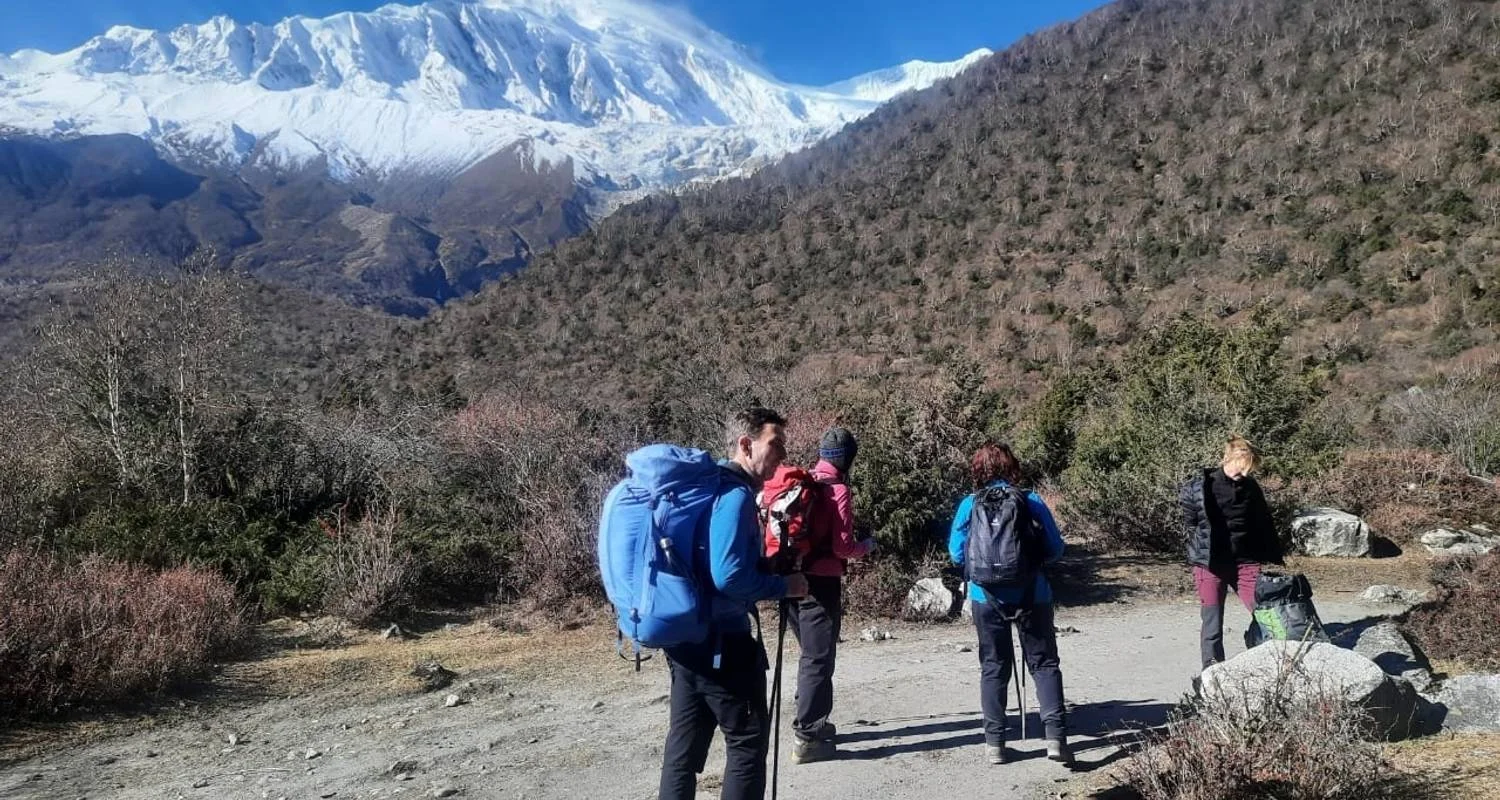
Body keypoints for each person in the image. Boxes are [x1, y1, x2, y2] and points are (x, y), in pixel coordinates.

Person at [658, 407, 809, 800]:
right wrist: (784, 586)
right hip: (724, 645)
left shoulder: (705, 490)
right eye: (775, 443)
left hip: (685, 641)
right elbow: (728, 577)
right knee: (746, 746)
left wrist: (767, 566)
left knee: (682, 754)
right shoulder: (735, 495)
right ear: (746, 444)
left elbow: (714, 564)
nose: (782, 452)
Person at [949, 442, 1069, 765]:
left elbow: (956, 554)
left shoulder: (968, 505)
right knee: (1044, 664)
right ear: (1011, 467)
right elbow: (1056, 548)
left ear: (978, 471)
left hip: (984, 598)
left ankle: (995, 745)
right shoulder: (1029, 500)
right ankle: (1056, 739)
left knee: (993, 667)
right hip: (1034, 594)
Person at [786, 427, 876, 764]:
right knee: (818, 659)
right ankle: (808, 735)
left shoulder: (804, 481)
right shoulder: (837, 489)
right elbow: (843, 546)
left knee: (811, 654)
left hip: (791, 579)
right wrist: (867, 545)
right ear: (849, 458)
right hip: (821, 584)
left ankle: (815, 722)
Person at [1181, 435, 1285, 670]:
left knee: (1266, 613)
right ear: (1229, 459)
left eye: (1249, 470)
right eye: (1242, 469)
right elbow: (1191, 521)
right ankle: (1212, 672)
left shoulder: (1251, 487)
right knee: (1212, 622)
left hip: (1246, 563)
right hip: (1210, 563)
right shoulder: (1200, 487)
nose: (1245, 475)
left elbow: (1262, 521)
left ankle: (1272, 661)